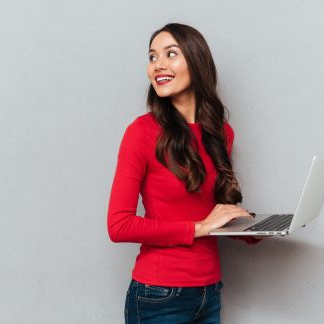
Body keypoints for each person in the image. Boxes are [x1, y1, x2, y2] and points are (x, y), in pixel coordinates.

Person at [107, 23, 262, 324]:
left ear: (197, 61)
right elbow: (119, 225)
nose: (158, 65)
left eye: (171, 54)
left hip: (209, 292)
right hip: (157, 296)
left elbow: (208, 209)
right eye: (152, 57)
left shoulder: (221, 134)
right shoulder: (141, 133)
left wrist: (252, 229)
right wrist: (199, 227)